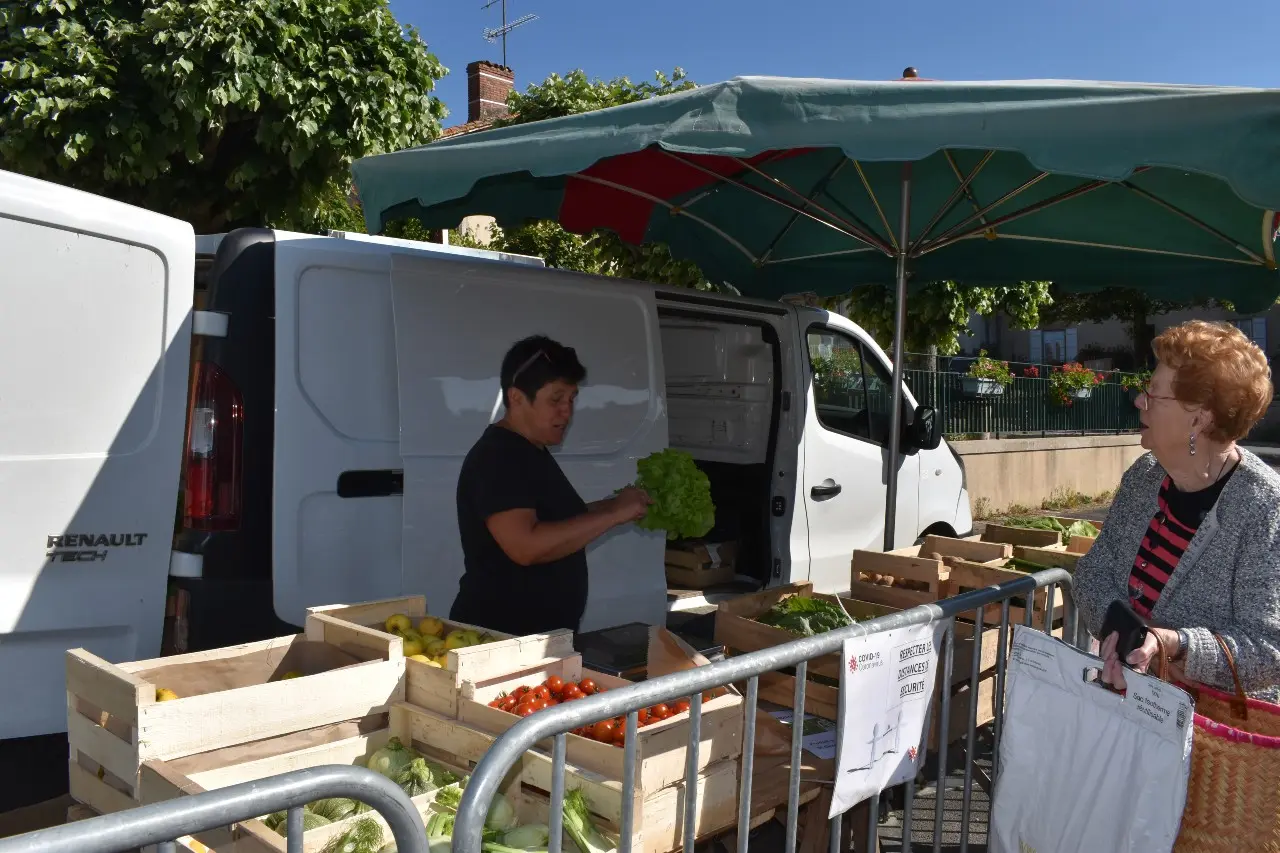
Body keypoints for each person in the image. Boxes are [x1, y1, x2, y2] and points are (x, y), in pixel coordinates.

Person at [1073, 320, 1280, 702]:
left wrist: (1178, 645)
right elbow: (1092, 572)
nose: (1139, 400)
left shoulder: (1264, 507)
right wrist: (1119, 633)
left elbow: (1269, 649)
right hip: (1129, 715)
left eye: (1153, 392)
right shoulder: (1145, 476)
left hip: (1213, 744)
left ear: (1199, 419)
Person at [451, 335, 651, 636]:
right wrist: (612, 515)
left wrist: (614, 505)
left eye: (571, 399)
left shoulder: (530, 449)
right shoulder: (498, 456)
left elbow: (556, 520)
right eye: (556, 399)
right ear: (517, 397)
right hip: (501, 638)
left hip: (535, 638)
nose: (567, 411)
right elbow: (526, 546)